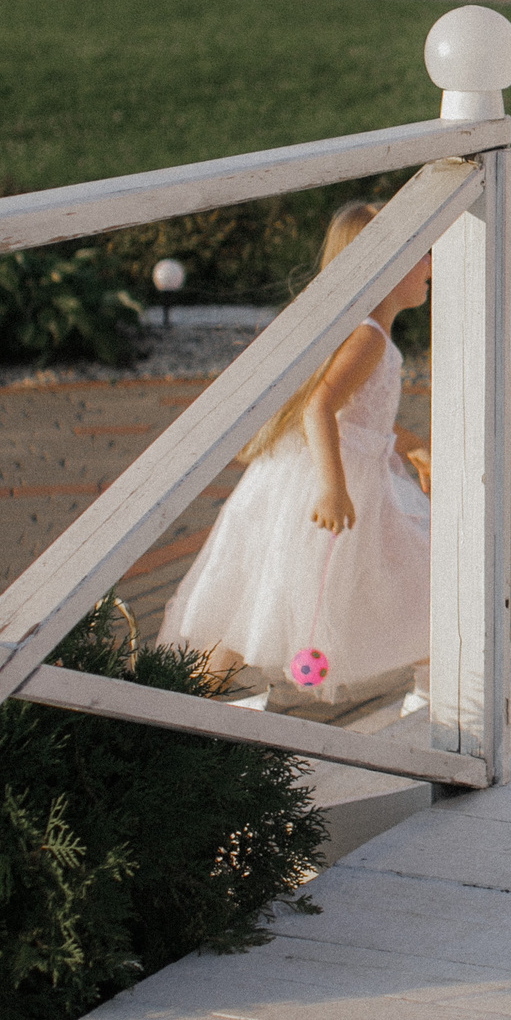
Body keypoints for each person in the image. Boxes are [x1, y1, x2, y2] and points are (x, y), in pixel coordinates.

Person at [159, 202, 433, 703]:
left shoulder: (366, 332)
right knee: (416, 581)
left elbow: (356, 412)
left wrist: (410, 445)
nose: (432, 263)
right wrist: (333, 487)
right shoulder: (368, 337)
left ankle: (185, 699)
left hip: (338, 482)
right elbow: (319, 407)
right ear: (385, 265)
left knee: (262, 596)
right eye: (420, 254)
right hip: (330, 487)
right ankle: (441, 694)